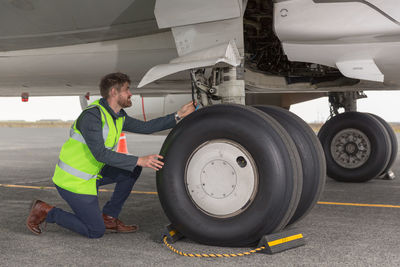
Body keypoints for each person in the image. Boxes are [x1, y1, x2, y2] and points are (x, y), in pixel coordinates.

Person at [26, 72, 195, 238]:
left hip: (93, 174)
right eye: (127, 90)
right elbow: (100, 154)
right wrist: (140, 159)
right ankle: (46, 211)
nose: (130, 94)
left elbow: (146, 127)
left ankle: (109, 216)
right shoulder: (92, 116)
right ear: (114, 92)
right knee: (95, 231)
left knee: (132, 170)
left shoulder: (118, 116)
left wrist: (178, 115)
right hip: (73, 181)